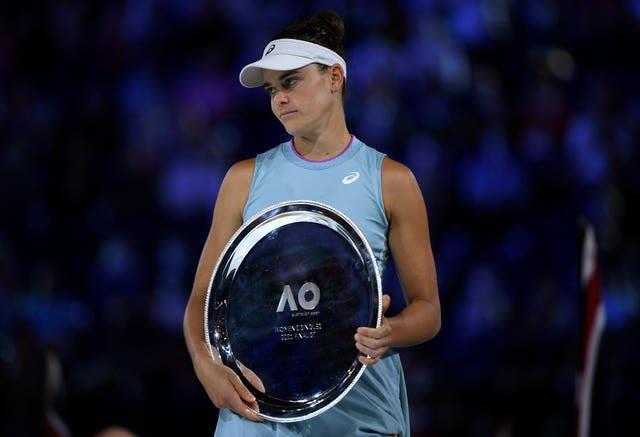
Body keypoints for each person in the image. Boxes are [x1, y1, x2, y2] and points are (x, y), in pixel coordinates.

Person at [183, 9, 441, 437]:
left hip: (356, 414)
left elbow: (428, 312)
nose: (279, 99)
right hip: (257, 415)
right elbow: (200, 302)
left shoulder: (392, 181)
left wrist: (389, 332)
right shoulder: (243, 180)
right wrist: (207, 368)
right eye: (271, 90)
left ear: (334, 78)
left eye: (291, 82)